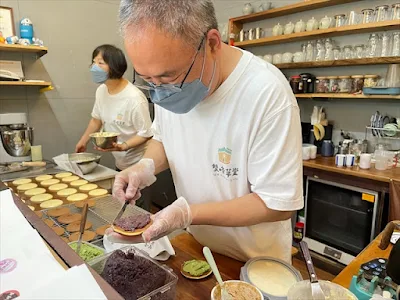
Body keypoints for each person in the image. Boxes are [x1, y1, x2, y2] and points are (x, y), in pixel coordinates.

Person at [108, 0, 303, 263]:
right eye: (147, 80)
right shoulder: (167, 83)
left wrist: (188, 213)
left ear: (211, 43)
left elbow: (277, 204)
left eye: (167, 78)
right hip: (198, 248)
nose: (159, 90)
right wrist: (144, 167)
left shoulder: (267, 93)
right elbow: (164, 138)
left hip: (256, 263)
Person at [75, 44, 153, 209]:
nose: (94, 67)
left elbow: (146, 133)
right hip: (119, 162)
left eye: (100, 63)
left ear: (115, 65)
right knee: (121, 206)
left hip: (137, 165)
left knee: (138, 210)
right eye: (93, 62)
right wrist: (83, 140)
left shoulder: (134, 98)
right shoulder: (101, 91)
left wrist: (123, 146)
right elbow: (96, 119)